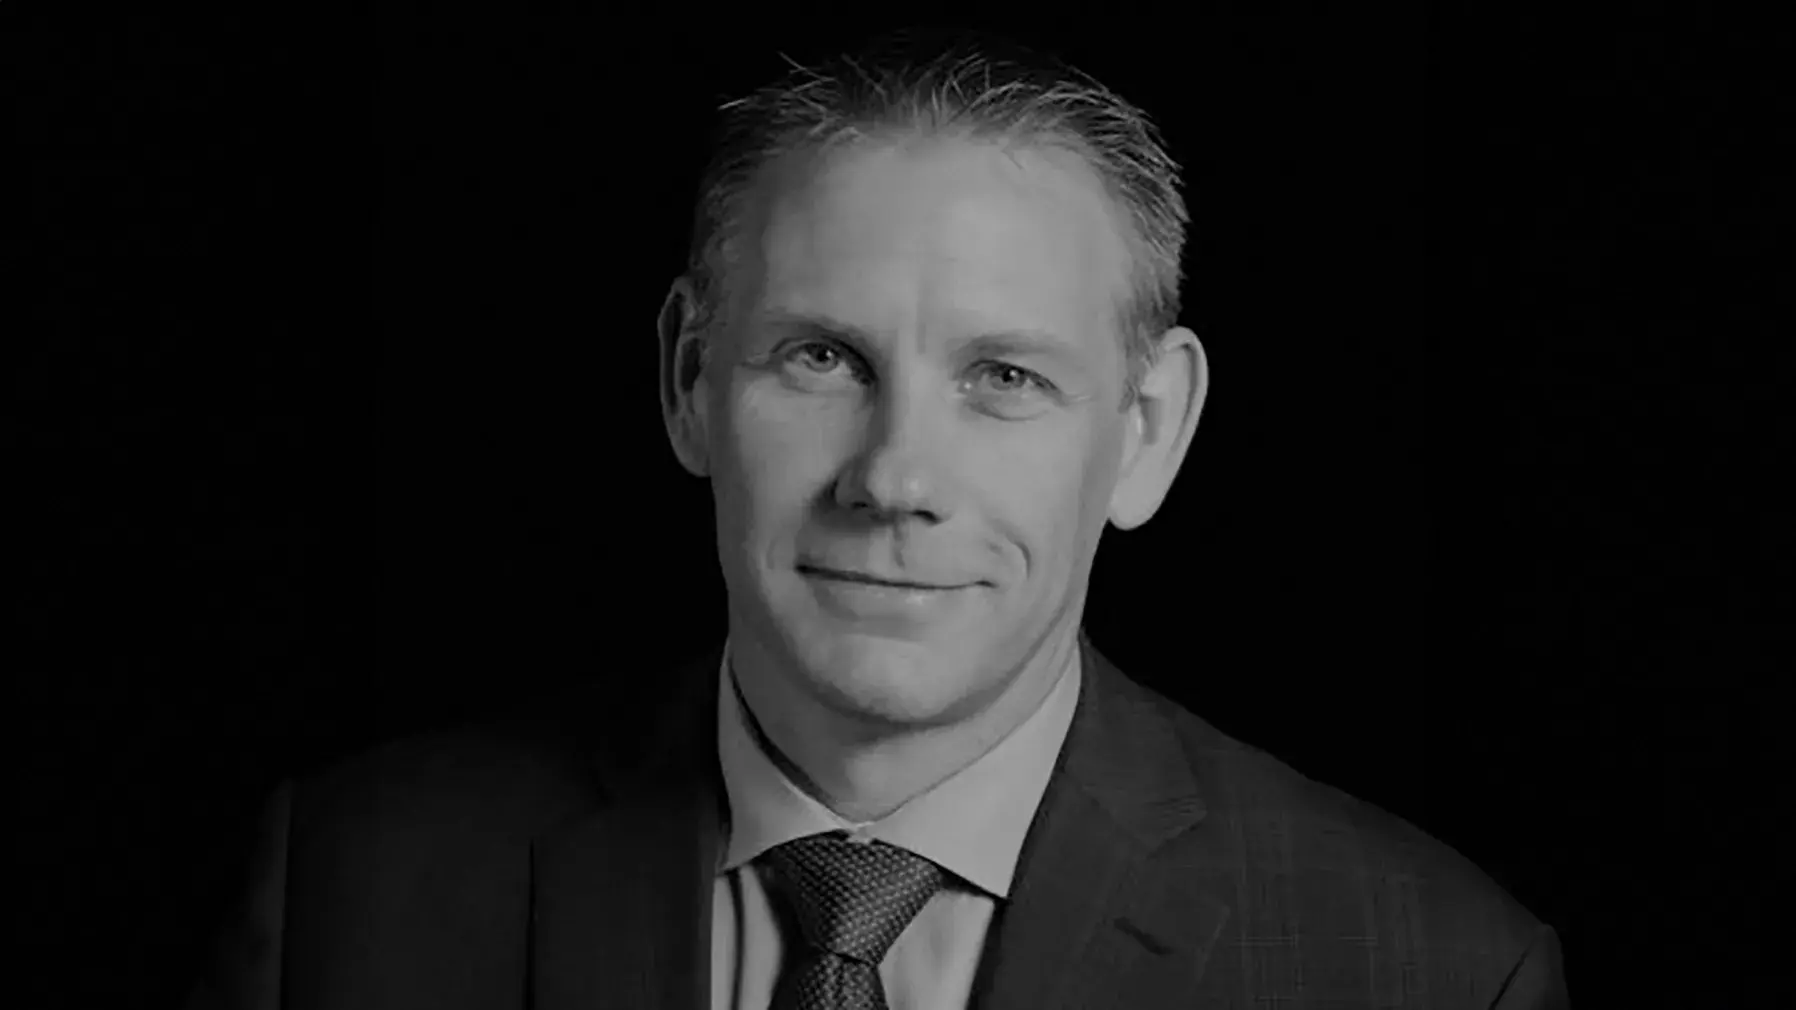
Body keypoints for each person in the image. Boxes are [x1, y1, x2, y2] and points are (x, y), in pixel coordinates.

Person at [185, 29, 1569, 1010]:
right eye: (822, 358)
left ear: (1145, 433)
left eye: (1004, 377)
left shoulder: (1428, 968)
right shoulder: (353, 895)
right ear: (687, 380)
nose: (895, 474)